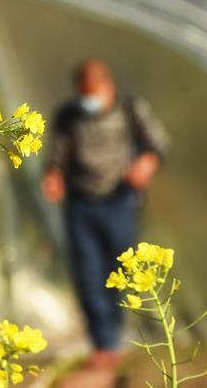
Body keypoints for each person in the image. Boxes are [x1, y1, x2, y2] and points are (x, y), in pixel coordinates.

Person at [42, 59, 169, 366]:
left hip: (121, 200)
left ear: (108, 87)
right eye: (83, 94)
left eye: (94, 93)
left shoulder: (131, 108)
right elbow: (57, 155)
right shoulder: (68, 115)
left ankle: (122, 332)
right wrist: (53, 175)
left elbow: (157, 143)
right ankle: (103, 344)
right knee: (87, 272)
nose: (89, 100)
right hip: (80, 202)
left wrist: (146, 164)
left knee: (122, 268)